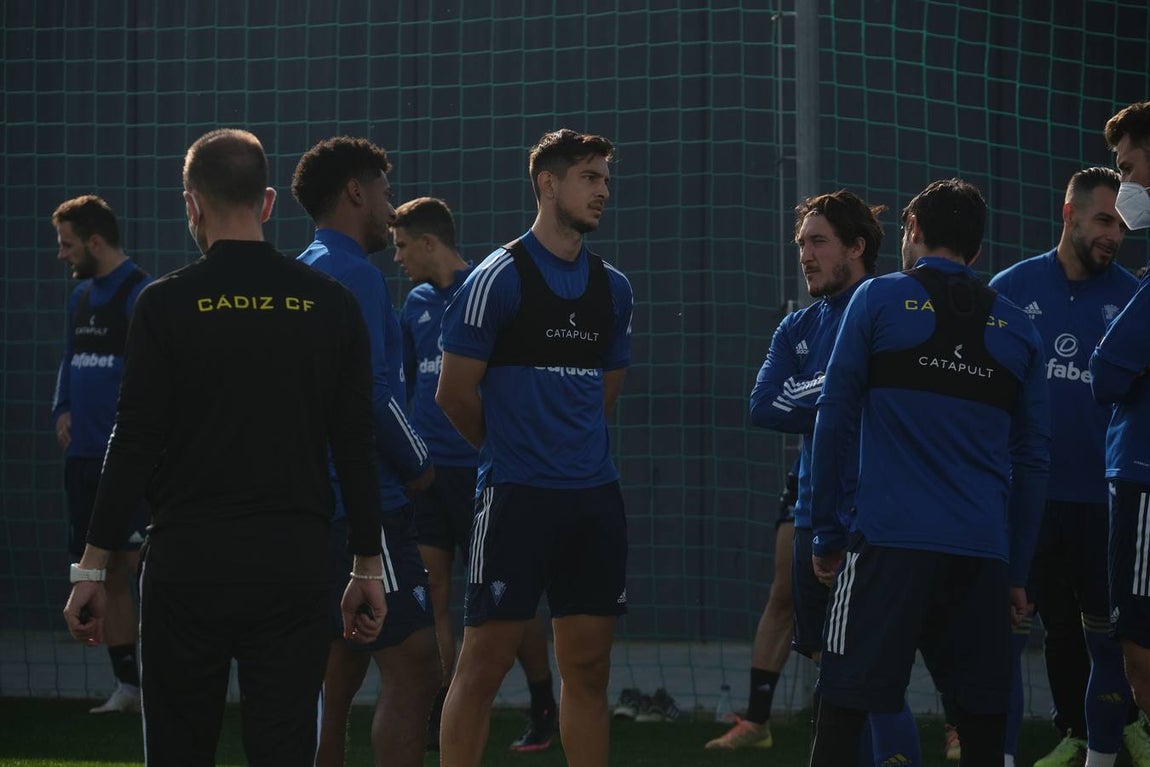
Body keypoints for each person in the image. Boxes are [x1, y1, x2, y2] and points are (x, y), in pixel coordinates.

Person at [61, 128, 388, 766]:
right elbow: (356, 445)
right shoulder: (332, 303)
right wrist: (366, 568)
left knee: (181, 750)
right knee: (284, 745)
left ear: (193, 204)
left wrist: (91, 569)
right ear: (267, 202)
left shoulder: (163, 304)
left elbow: (130, 444)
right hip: (293, 562)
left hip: (188, 564)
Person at [807, 178, 1051, 767]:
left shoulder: (877, 298)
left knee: (841, 708)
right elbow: (1034, 460)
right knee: (983, 729)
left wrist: (826, 533)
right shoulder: (1020, 326)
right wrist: (1016, 570)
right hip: (981, 556)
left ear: (912, 232)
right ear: (977, 249)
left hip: (887, 546)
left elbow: (834, 419)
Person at [435, 129, 633, 767]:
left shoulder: (614, 289)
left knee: (590, 669)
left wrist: (566, 452)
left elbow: (603, 396)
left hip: (594, 502)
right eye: (588, 176)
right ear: (548, 184)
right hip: (516, 499)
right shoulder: (498, 278)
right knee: (483, 670)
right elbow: (454, 394)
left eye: (605, 177)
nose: (602, 189)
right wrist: (513, 453)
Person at [749, 189, 923, 766]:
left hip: (874, 518)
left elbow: (879, 397)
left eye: (819, 241)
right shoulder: (797, 326)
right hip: (813, 515)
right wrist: (841, 389)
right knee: (832, 667)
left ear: (857, 245)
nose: (806, 254)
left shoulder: (886, 307)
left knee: (869, 672)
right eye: (802, 243)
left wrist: (827, 389)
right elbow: (762, 404)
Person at [291, 137, 439, 767]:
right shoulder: (358, 275)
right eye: (383, 188)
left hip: (310, 506)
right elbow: (372, 397)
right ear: (355, 191)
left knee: (339, 672)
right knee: (416, 673)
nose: (390, 204)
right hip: (367, 509)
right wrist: (421, 463)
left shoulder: (299, 268)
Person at [391, 196, 558, 753]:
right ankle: (445, 704)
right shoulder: (414, 303)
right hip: (427, 476)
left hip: (481, 472)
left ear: (429, 242)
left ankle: (543, 704)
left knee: (504, 595)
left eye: (401, 246)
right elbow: (413, 381)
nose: (396, 258)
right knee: (434, 591)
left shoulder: (486, 291)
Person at [991, 167, 1145, 767]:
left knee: (1109, 640)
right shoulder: (1009, 288)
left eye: (1123, 225)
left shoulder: (1132, 296)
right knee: (1010, 636)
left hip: (1101, 500)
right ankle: (1025, 749)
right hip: (1025, 497)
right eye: (1105, 220)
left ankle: (1106, 750)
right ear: (1069, 214)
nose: (1115, 235)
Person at [50, 195, 151, 714]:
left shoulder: (140, 294)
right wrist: (62, 408)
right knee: (100, 570)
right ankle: (128, 685)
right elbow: (70, 359)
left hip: (127, 461)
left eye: (68, 245)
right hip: (83, 458)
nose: (62, 255)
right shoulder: (80, 297)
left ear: (94, 241)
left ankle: (165, 678)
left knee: (140, 566)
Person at [1091, 100, 1150, 723]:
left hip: (1143, 473)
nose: (1126, 185)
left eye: (1130, 169)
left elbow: (1106, 374)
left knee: (1138, 652)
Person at [703, 463, 797, 750]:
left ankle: (937, 715)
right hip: (813, 467)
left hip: (867, 465)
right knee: (784, 594)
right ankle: (757, 721)